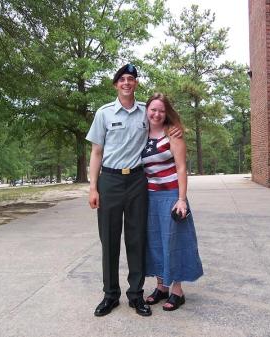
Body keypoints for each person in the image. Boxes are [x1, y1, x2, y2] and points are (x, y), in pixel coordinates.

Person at [87, 64, 168, 317]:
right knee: (109, 240)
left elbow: (164, 123)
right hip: (109, 181)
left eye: (131, 79)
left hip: (136, 181)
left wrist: (175, 130)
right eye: (122, 79)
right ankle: (110, 295)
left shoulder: (146, 111)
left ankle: (136, 295)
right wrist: (93, 188)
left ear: (136, 83)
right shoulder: (104, 113)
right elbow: (96, 152)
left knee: (136, 239)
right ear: (115, 85)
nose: (126, 83)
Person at [141, 93, 203, 311]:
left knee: (174, 243)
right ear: (146, 110)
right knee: (155, 243)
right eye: (153, 109)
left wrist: (181, 199)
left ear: (166, 113)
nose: (157, 114)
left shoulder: (172, 134)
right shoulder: (141, 134)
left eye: (161, 110)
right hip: (149, 197)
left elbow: (181, 168)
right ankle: (161, 287)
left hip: (171, 196)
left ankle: (177, 290)